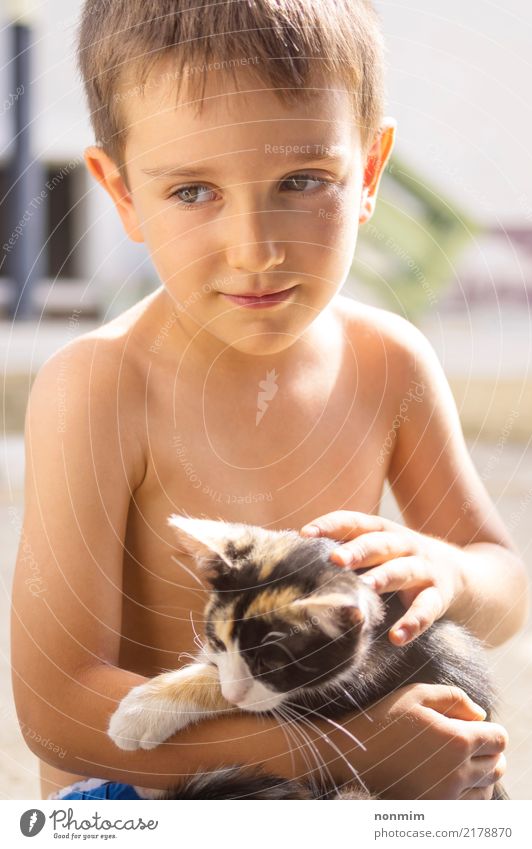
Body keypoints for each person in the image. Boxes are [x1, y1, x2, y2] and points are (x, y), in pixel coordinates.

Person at [11, 0, 527, 801]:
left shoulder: (388, 359)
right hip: (146, 797)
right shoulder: (102, 385)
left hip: (329, 769)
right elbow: (55, 706)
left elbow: (503, 592)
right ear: (121, 192)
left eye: (302, 180)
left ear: (369, 173)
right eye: (191, 192)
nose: (255, 247)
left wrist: (450, 572)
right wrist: (348, 752)